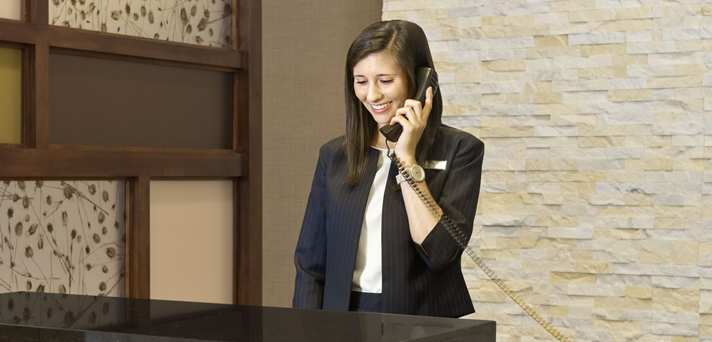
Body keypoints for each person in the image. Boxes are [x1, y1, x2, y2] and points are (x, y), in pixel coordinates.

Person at [292, 20, 484, 318]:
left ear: (419, 81)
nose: (372, 95)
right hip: (343, 318)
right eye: (360, 81)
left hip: (423, 324)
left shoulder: (461, 150)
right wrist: (305, 330)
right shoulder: (334, 156)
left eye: (385, 80)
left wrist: (406, 157)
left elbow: (440, 252)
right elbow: (310, 264)